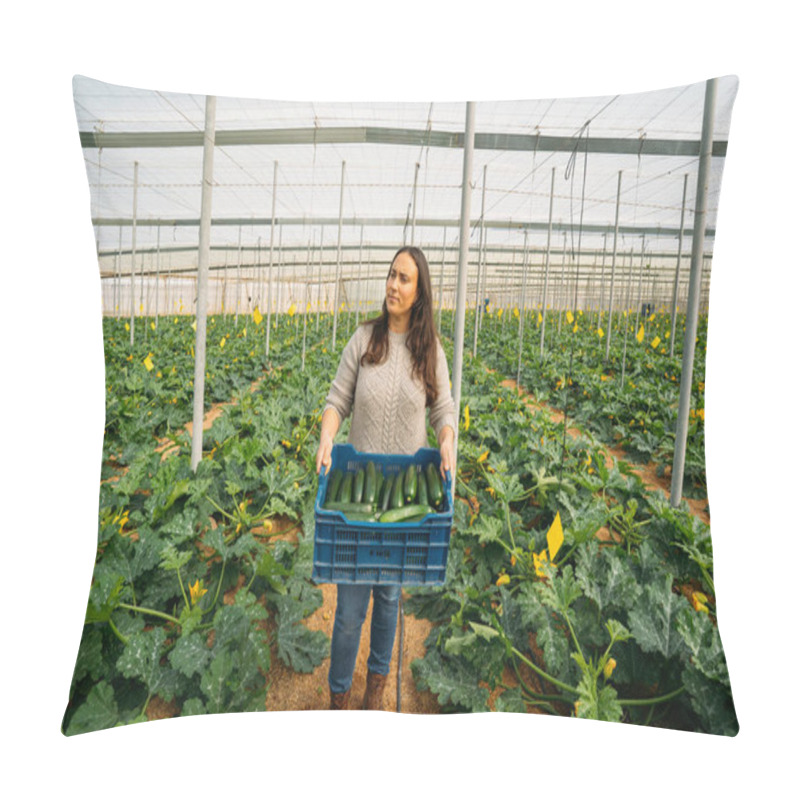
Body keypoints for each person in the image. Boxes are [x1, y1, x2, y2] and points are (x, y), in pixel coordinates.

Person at [315, 245, 457, 711]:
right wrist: (326, 437)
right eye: (391, 275)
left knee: (390, 598)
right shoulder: (363, 339)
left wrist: (448, 440)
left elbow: (442, 408)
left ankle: (375, 692)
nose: (393, 285)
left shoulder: (429, 349)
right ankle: (339, 697)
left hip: (404, 489)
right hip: (360, 484)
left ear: (420, 293)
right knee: (351, 608)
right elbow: (338, 400)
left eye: (404, 279)